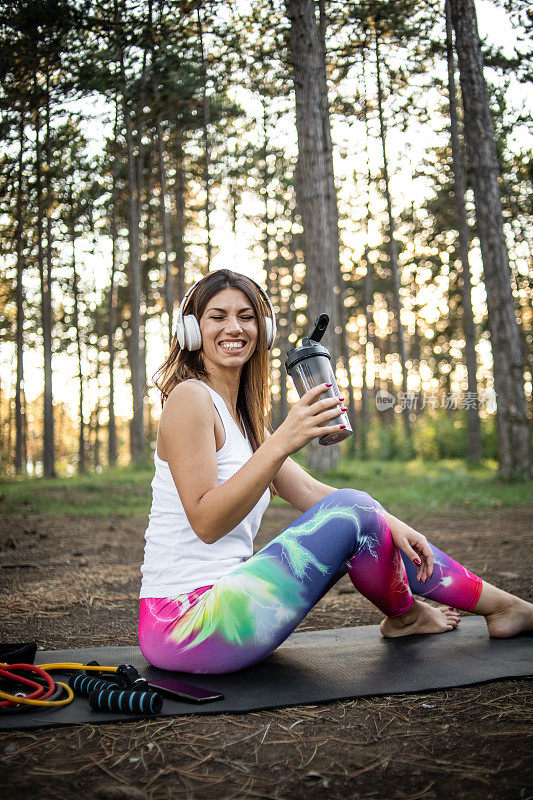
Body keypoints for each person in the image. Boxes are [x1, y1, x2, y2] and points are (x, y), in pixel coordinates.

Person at [139, 269, 533, 674]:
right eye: (217, 317)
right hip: (185, 625)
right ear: (191, 330)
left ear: (265, 329)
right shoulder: (189, 398)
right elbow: (206, 521)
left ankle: (425, 614)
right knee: (352, 508)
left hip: (228, 611)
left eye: (247, 316)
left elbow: (309, 488)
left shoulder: (244, 420)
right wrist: (282, 441)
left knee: (358, 508)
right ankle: (494, 608)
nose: (234, 328)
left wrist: (389, 522)